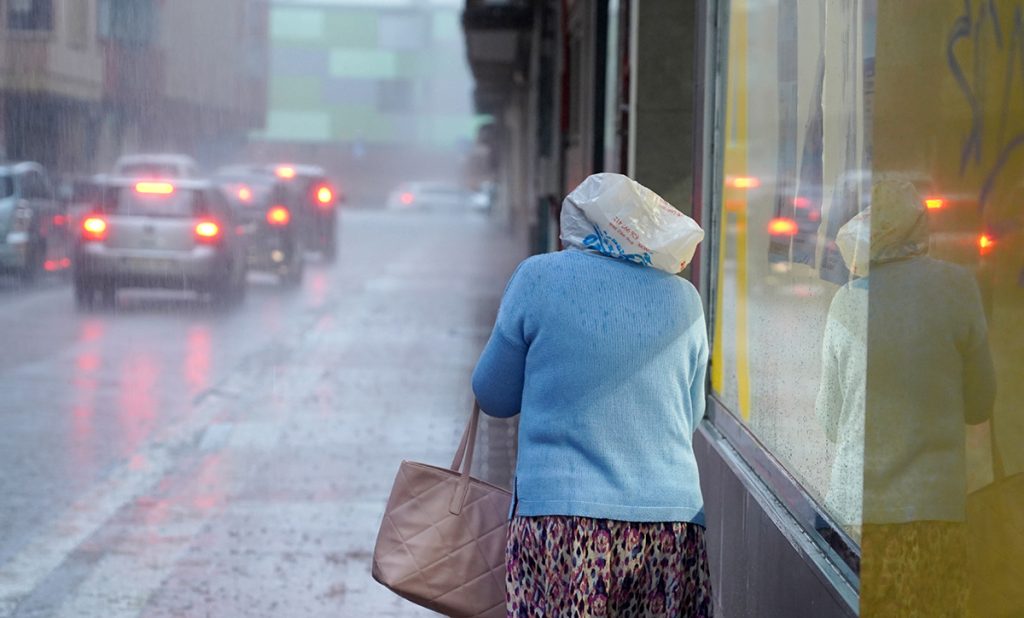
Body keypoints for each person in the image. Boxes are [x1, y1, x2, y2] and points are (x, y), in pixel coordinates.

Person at [472, 173, 712, 617]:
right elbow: (691, 413)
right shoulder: (686, 300)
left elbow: (493, 395)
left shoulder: (538, 278)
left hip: (562, 523)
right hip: (670, 524)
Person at [815, 179, 996, 616]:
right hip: (934, 511)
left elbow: (828, 418)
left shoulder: (846, 302)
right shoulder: (957, 287)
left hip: (858, 513)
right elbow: (980, 403)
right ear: (921, 228)